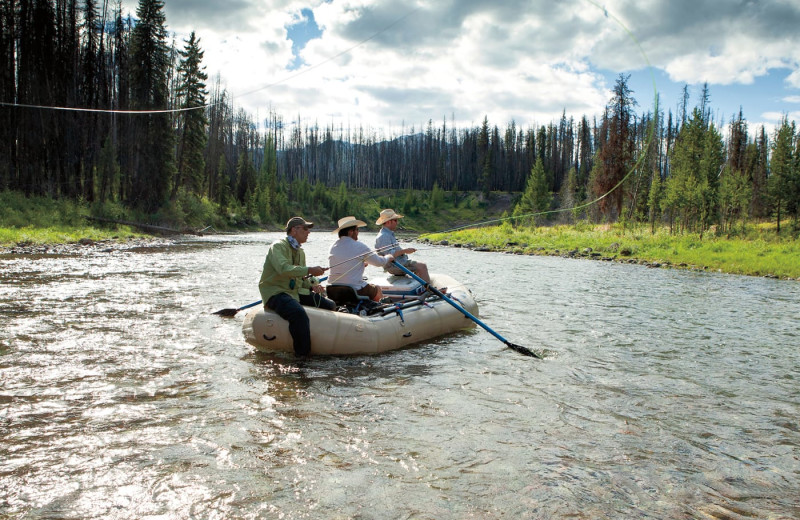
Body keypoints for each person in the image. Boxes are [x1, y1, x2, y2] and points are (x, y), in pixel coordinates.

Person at [258, 216, 335, 356]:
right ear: (294, 230)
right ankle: (302, 357)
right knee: (298, 314)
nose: (308, 232)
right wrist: (310, 270)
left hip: (294, 292)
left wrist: (314, 285)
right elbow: (284, 269)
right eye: (305, 228)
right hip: (275, 293)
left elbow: (301, 279)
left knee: (330, 305)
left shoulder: (300, 252)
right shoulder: (278, 246)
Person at [328, 216, 394, 302]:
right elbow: (379, 262)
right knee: (377, 289)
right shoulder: (359, 246)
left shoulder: (333, 246)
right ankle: (381, 310)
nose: (358, 232)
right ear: (351, 232)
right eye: (357, 230)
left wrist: (360, 264)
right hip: (353, 290)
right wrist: (388, 257)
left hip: (333, 289)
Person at [375, 208, 430, 283]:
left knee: (418, 268)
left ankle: (420, 289)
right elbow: (389, 255)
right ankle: (430, 291)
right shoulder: (384, 236)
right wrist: (405, 251)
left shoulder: (388, 234)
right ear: (388, 222)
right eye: (395, 220)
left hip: (399, 263)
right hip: (394, 266)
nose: (397, 223)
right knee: (422, 266)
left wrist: (405, 250)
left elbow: (394, 250)